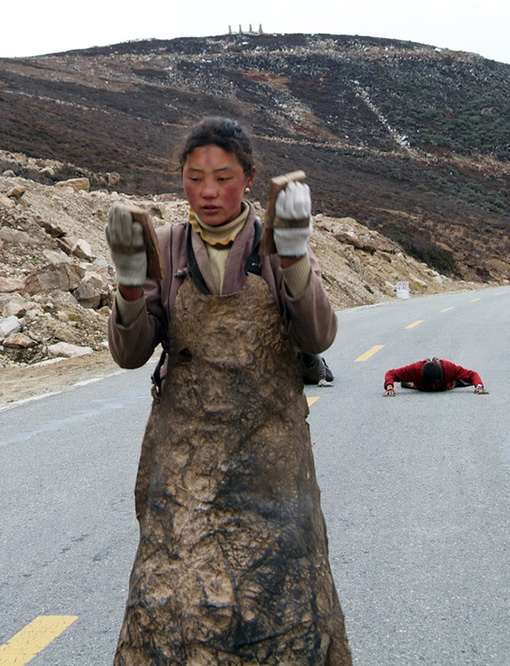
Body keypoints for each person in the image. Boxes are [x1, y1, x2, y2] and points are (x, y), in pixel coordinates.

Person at [106, 116, 351, 665]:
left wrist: (293, 262)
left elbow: (318, 336)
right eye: (194, 178)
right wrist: (127, 287)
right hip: (186, 460)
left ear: (248, 177)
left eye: (222, 176)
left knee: (281, 603)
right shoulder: (165, 248)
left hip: (271, 459)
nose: (208, 192)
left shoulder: (275, 241)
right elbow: (131, 355)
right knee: (175, 601)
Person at [384, 357, 489, 396]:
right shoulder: (415, 369)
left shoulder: (448, 368)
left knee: (465, 380)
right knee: (405, 383)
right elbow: (391, 373)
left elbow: (472, 374)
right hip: (419, 384)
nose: (433, 388)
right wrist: (390, 388)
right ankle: (411, 383)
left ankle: (453, 383)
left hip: (447, 383)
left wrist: (479, 387)